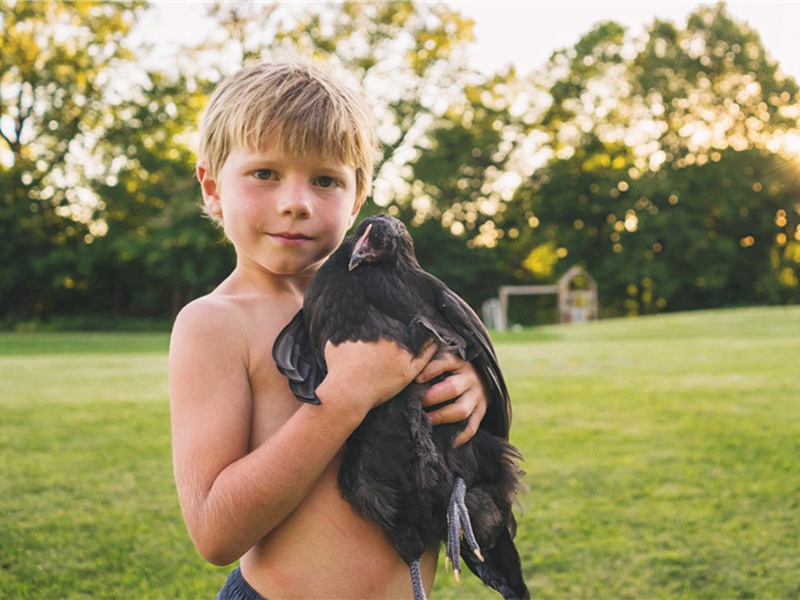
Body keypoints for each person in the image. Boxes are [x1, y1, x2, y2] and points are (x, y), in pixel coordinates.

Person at [169, 56, 491, 600]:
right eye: (264, 173)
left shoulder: (397, 303)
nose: (295, 203)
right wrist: (343, 399)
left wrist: (470, 392)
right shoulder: (214, 323)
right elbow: (214, 531)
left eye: (325, 180)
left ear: (357, 198)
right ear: (212, 187)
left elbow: (468, 434)